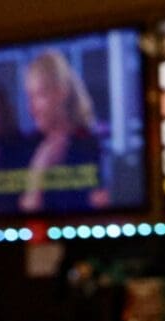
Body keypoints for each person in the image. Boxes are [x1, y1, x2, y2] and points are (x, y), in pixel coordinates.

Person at [19, 49, 107, 213]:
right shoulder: (25, 147)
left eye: (38, 95)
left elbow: (104, 211)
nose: (31, 108)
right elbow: (24, 220)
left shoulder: (90, 145)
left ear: (61, 92)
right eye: (29, 97)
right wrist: (39, 169)